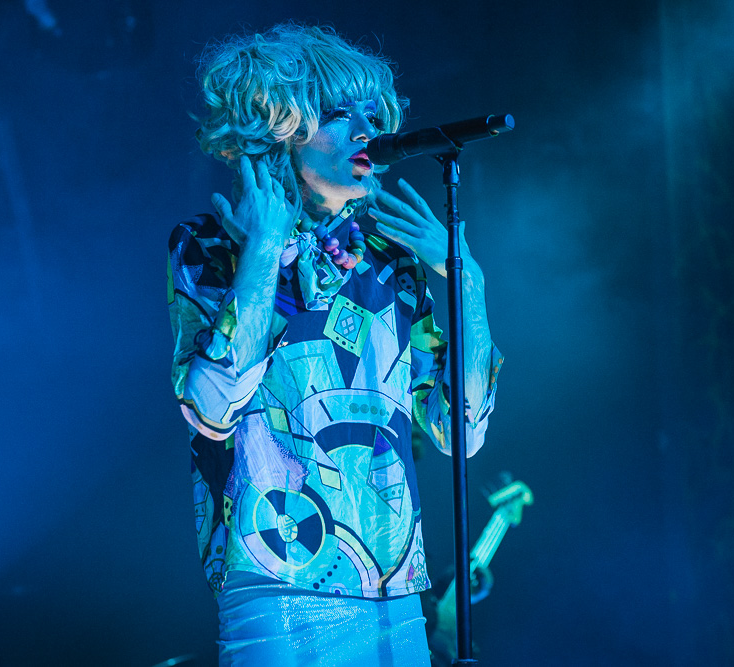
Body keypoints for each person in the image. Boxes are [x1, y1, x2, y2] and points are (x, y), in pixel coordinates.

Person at [166, 22, 503, 666]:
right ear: (280, 129)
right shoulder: (212, 248)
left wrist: (468, 281)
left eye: (375, 114)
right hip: (276, 576)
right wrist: (263, 253)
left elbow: (460, 433)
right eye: (340, 113)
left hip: (395, 580)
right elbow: (211, 411)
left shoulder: (393, 268)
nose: (366, 130)